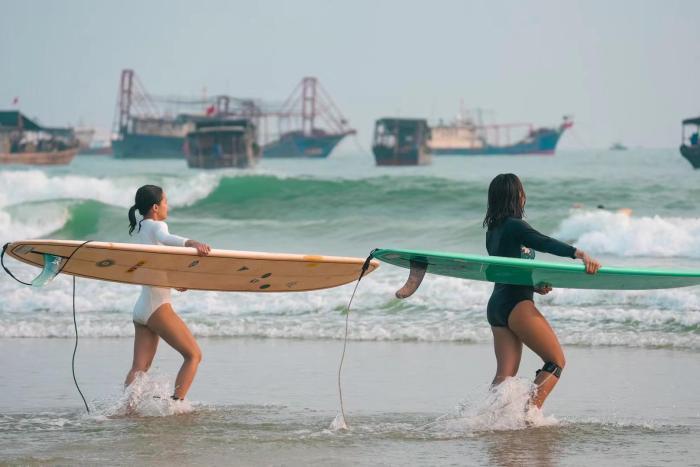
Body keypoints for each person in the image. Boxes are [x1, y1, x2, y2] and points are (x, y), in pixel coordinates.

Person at [483, 174, 601, 408]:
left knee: (504, 377)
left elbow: (506, 270)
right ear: (518, 196)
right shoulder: (515, 226)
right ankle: (528, 414)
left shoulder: (493, 231)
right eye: (521, 192)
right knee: (555, 361)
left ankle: (489, 420)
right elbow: (543, 242)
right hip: (516, 304)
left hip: (498, 305)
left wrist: (534, 286)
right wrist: (579, 253)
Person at [124, 185, 211, 401]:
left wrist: (171, 282)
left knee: (139, 367)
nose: (167, 206)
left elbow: (152, 266)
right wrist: (192, 243)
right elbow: (167, 237)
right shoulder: (156, 225)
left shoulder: (140, 229)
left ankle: (127, 409)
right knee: (193, 355)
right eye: (165, 202)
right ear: (155, 207)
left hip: (142, 307)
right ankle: (176, 404)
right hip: (157, 307)